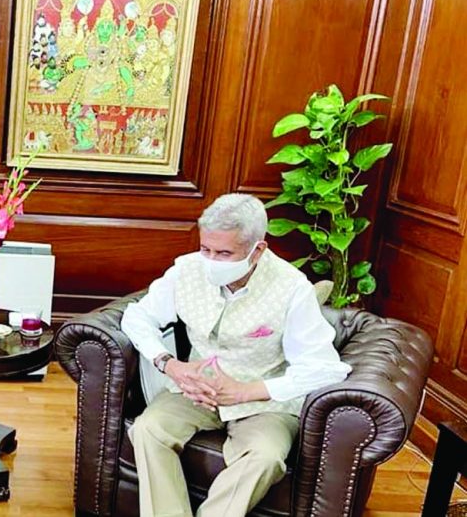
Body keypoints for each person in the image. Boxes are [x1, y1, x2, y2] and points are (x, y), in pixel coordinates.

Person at [121, 193, 351, 517]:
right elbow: (136, 317)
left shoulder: (292, 288)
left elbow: (325, 368)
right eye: (206, 249)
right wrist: (169, 364)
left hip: (263, 401)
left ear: (258, 250)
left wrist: (247, 391)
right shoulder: (185, 270)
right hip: (196, 390)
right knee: (148, 430)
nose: (211, 261)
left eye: (224, 253)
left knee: (266, 456)